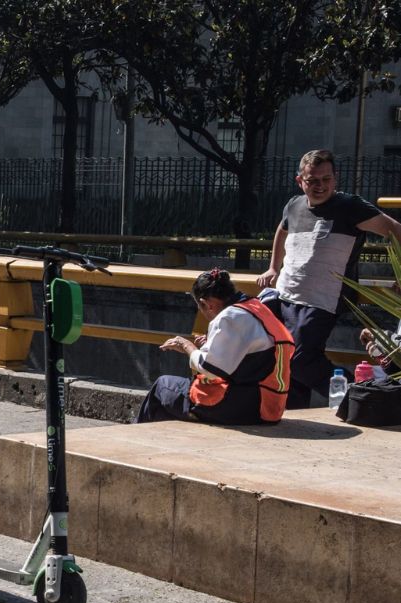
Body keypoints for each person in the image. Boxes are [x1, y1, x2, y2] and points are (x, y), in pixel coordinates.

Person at [256, 149, 401, 408]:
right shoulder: (294, 204)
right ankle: (293, 409)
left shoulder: (351, 207)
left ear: (335, 179)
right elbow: (282, 229)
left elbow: (395, 230)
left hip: (323, 299)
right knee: (280, 355)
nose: (320, 186)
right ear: (300, 180)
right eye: (313, 180)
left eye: (326, 179)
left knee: (301, 359)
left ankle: (363, 400)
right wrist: (272, 268)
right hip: (286, 292)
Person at [137, 268, 294, 425]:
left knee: (163, 386)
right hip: (270, 406)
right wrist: (207, 345)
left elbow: (210, 369)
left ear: (206, 304)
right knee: (175, 399)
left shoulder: (229, 317)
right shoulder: (255, 307)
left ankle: (137, 435)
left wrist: (187, 346)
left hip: (247, 407)